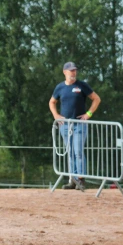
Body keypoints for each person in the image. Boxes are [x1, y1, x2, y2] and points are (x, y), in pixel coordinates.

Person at [49, 61, 101, 191]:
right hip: (65, 125)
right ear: (64, 72)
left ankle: (81, 179)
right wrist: (56, 115)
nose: (73, 72)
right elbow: (52, 102)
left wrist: (88, 114)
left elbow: (96, 99)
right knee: (70, 152)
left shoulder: (82, 85)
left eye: (75, 70)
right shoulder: (60, 87)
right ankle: (72, 180)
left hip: (79, 124)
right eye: (71, 70)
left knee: (78, 151)